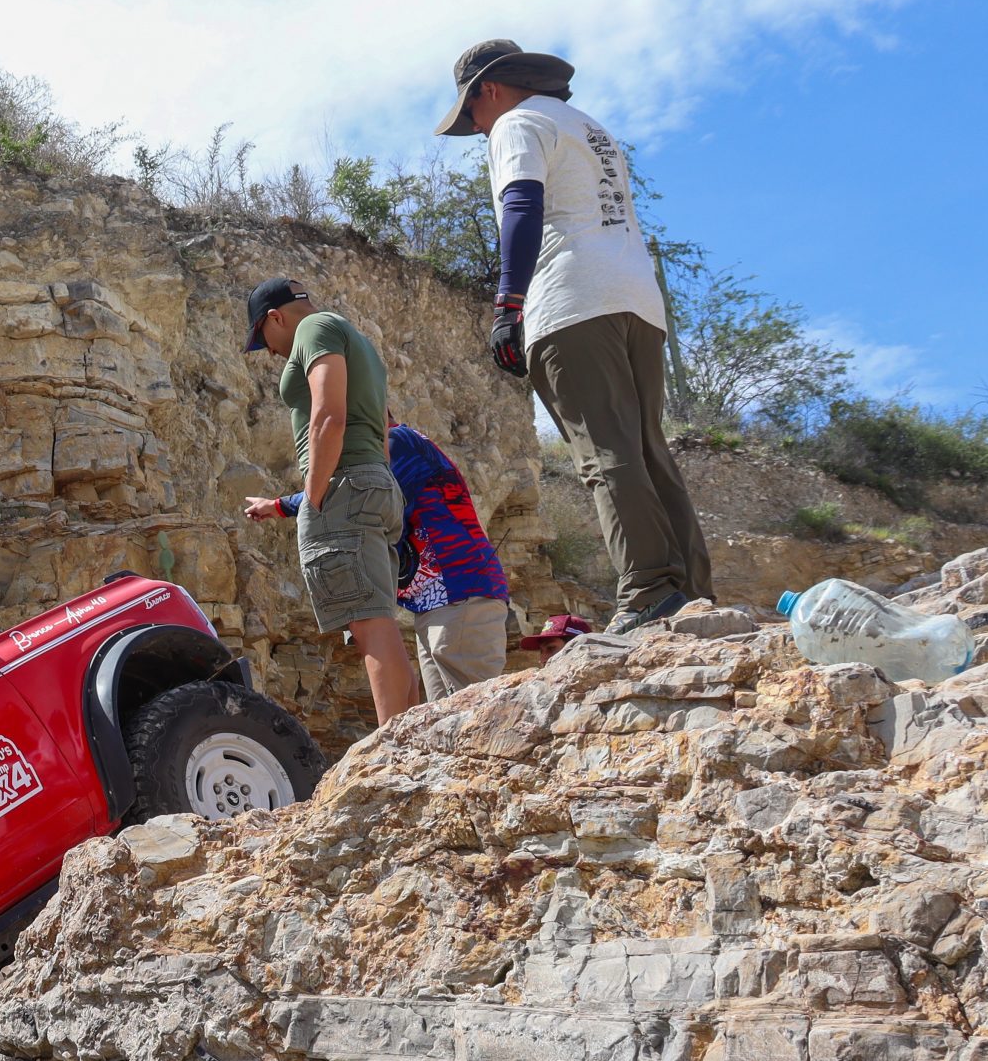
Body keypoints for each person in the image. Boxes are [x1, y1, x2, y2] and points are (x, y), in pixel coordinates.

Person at [436, 38, 711, 634]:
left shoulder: (517, 123)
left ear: (489, 90)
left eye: (472, 115)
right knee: (647, 450)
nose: (479, 130)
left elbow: (521, 203)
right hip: (638, 301)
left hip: (571, 301)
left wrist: (509, 303)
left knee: (605, 454)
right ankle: (690, 591)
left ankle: (647, 591)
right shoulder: (591, 129)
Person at [242, 276, 419, 726]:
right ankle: (415, 734)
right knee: (380, 623)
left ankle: (396, 748)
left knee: (367, 624)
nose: (272, 355)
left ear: (274, 318)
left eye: (264, 341)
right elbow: (383, 429)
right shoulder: (357, 341)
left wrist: (316, 497)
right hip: (376, 484)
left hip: (343, 486)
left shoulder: (314, 329)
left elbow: (328, 415)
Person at [247, 423, 512, 701]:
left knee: (479, 710)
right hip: (439, 603)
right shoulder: (394, 445)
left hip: (462, 593)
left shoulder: (396, 442)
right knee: (447, 717)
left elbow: (349, 493)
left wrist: (279, 506)